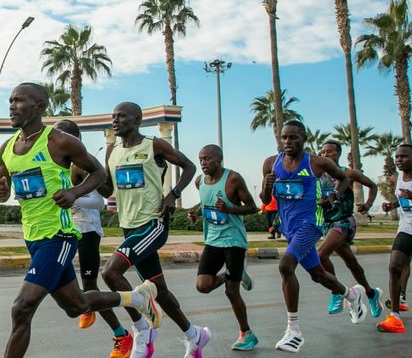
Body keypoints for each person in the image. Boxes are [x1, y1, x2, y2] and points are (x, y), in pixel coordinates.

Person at [0, 84, 160, 358]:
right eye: (10, 101)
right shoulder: (7, 148)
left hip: (59, 236)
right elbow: (4, 189)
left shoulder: (59, 141)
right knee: (77, 305)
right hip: (33, 236)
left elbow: (99, 175)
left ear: (39, 107)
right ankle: (136, 298)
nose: (11, 106)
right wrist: (1, 192)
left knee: (21, 307)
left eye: (19, 101)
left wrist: (74, 192)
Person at [98, 102, 210, 358]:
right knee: (160, 290)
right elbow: (107, 189)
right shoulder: (112, 151)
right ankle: (194, 335)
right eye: (113, 116)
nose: (115, 120)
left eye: (121, 116)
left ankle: (142, 330)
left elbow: (189, 166)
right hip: (129, 227)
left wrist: (174, 194)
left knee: (111, 272)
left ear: (137, 120)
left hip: (152, 224)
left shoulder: (154, 145)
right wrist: (85, 177)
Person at [260, 120, 367, 353]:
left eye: (293, 137)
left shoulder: (317, 163)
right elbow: (265, 199)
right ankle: (352, 295)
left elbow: (344, 178)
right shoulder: (271, 163)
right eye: (284, 137)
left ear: (304, 139)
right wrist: (268, 186)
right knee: (318, 274)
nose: (288, 142)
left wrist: (334, 196)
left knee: (286, 266)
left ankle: (293, 331)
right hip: (289, 227)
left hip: (311, 224)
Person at [53, 119, 128, 358]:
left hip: (86, 230)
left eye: (60, 135)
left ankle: (121, 334)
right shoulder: (54, 165)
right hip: (64, 231)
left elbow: (99, 202)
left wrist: (71, 198)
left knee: (90, 287)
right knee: (63, 286)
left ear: (74, 139)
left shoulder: (81, 165)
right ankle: (85, 304)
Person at [187, 144, 259, 350]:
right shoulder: (199, 181)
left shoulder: (233, 179)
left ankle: (247, 334)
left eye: (208, 159)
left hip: (233, 241)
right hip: (212, 240)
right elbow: (206, 204)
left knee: (231, 291)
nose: (203, 163)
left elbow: (252, 207)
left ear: (219, 159)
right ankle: (236, 274)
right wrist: (196, 214)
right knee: (203, 286)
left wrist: (229, 209)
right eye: (201, 159)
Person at [316, 140, 383, 317]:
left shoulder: (348, 173)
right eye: (322, 152)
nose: (325, 155)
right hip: (327, 223)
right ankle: (371, 293)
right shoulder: (319, 175)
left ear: (337, 153)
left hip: (344, 221)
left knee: (321, 255)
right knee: (351, 263)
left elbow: (373, 186)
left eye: (329, 152)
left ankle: (336, 292)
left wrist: (368, 204)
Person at [376, 143, 412, 333]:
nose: (399, 160)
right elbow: (402, 199)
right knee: (394, 266)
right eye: (397, 157)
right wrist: (392, 205)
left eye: (404, 156)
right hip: (406, 228)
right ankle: (395, 317)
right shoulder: (400, 178)